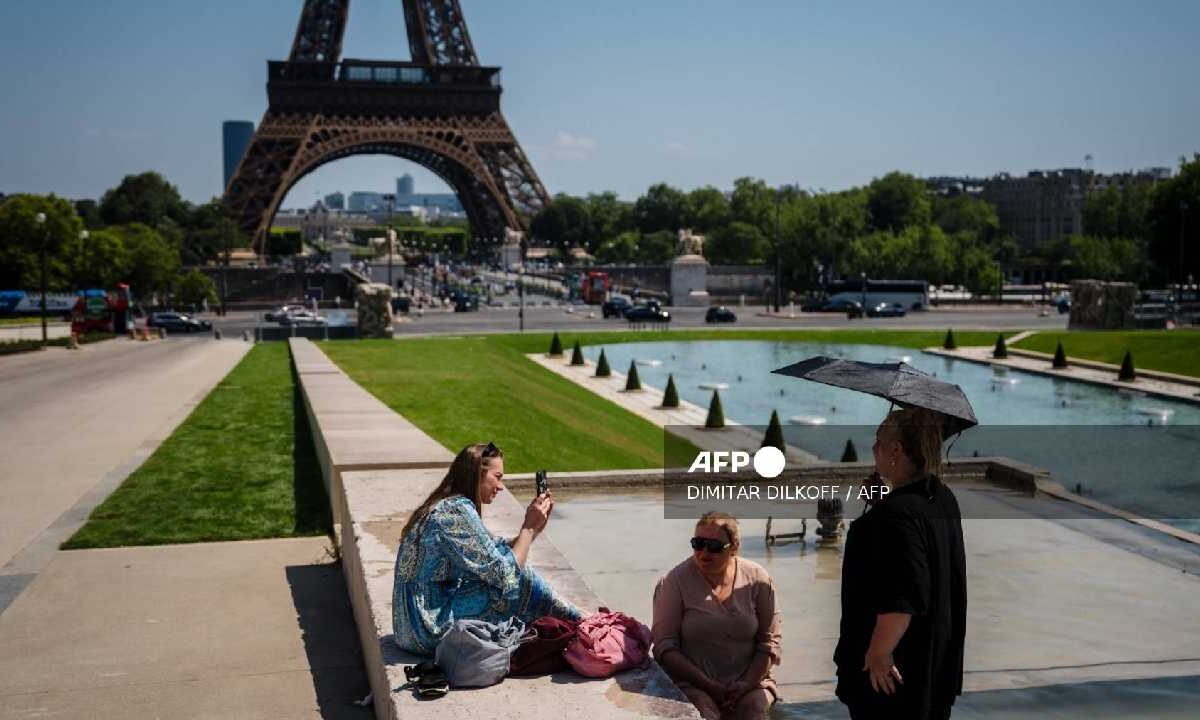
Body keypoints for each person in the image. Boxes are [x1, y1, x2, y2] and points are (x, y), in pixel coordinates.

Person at [834, 407, 968, 720]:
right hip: (934, 666)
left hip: (894, 680)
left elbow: (904, 595)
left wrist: (879, 653)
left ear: (896, 450)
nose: (873, 449)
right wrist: (882, 503)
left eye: (878, 442)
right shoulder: (941, 496)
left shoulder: (894, 517)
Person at [392, 442, 582, 655]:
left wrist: (534, 527)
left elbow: (492, 552)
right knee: (520, 581)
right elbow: (506, 575)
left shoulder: (447, 505)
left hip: (410, 626)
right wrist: (528, 528)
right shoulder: (455, 512)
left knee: (511, 578)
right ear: (476, 474)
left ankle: (575, 623)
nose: (501, 487)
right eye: (498, 477)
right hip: (426, 628)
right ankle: (583, 625)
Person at [652, 512, 781, 720]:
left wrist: (746, 684)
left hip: (750, 682)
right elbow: (664, 647)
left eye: (714, 546)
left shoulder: (758, 579)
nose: (704, 553)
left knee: (754, 714)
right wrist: (709, 685)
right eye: (698, 543)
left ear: (734, 547)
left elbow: (769, 643)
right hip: (693, 682)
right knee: (704, 713)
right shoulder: (673, 582)